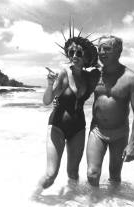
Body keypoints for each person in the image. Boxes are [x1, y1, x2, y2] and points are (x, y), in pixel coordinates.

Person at [34, 30, 100, 195]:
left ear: (86, 57)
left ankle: (71, 201)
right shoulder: (64, 73)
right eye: (71, 52)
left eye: (79, 52)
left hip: (78, 128)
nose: (74, 55)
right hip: (57, 126)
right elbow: (47, 101)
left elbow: (105, 71)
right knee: (51, 175)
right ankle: (32, 198)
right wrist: (49, 84)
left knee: (73, 173)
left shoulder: (90, 77)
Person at [86, 35, 134, 187]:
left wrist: (133, 144)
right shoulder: (94, 75)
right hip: (97, 130)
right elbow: (76, 86)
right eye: (100, 49)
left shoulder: (132, 78)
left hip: (120, 133)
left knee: (115, 176)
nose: (102, 52)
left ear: (118, 52)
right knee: (92, 174)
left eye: (107, 48)